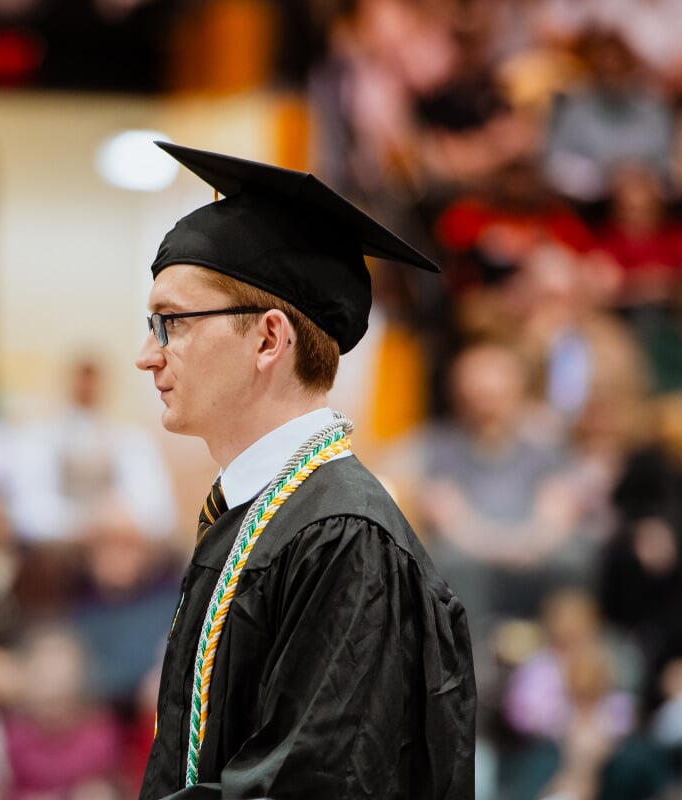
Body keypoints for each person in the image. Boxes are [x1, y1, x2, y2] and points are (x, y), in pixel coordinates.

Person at [131, 143, 474, 798]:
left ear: (267, 339)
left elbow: (317, 785)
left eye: (171, 322)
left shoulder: (342, 536)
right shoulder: (255, 517)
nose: (147, 355)